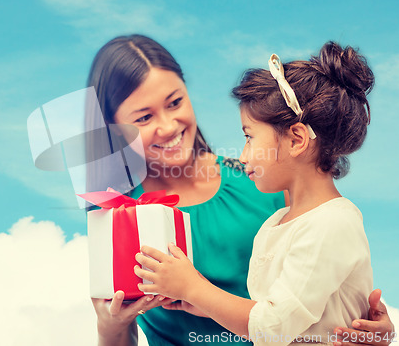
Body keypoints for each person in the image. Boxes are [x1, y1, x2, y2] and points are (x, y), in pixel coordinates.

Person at [86, 35, 395, 346]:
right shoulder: (120, 217)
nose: (167, 126)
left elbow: (323, 287)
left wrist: (374, 329)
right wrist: (108, 326)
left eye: (175, 102)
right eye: (144, 117)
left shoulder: (265, 181)